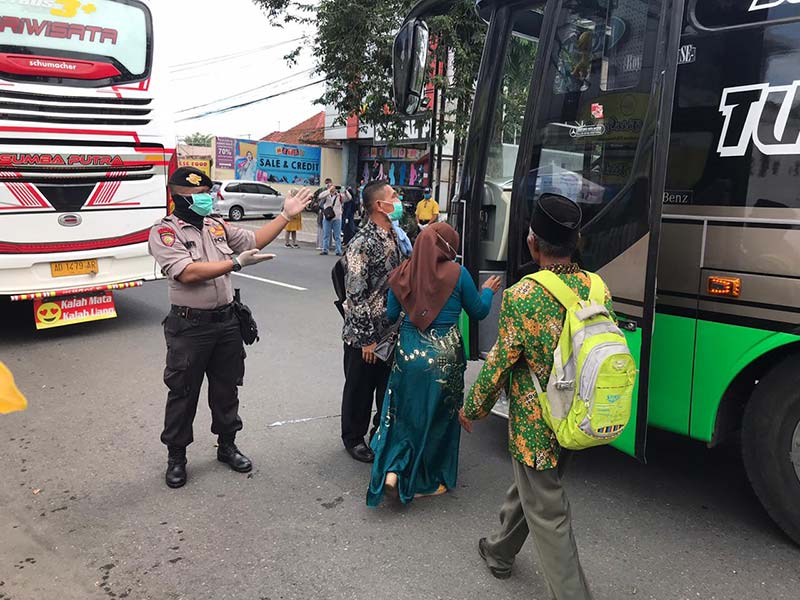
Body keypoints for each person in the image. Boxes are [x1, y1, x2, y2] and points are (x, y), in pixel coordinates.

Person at [460, 194, 612, 600]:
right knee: (532, 490)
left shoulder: (524, 295)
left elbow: (500, 364)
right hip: (579, 413)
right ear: (575, 241)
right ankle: (500, 551)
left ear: (532, 244)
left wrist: (472, 407)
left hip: (536, 423)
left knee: (549, 513)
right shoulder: (597, 286)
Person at [148, 166, 311, 489]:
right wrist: (235, 263)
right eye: (198, 195)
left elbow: (253, 240)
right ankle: (177, 457)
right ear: (178, 198)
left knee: (226, 389)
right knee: (183, 392)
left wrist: (283, 215)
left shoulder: (216, 225)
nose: (206, 199)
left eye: (207, 193)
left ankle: (227, 446)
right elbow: (188, 272)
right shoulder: (166, 232)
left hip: (225, 322)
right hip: (189, 327)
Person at [367, 223, 500, 506]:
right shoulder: (458, 274)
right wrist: (487, 291)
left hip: (407, 355)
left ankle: (393, 470)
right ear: (448, 247)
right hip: (444, 359)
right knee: (439, 418)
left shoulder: (402, 272)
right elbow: (478, 311)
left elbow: (391, 315)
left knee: (404, 414)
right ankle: (427, 480)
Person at [341, 181, 402, 463]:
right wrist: (367, 339)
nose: (398, 199)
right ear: (379, 205)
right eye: (394, 196)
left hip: (391, 330)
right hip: (365, 333)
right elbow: (355, 294)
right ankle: (353, 438)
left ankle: (380, 432)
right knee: (360, 388)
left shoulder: (397, 235)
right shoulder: (361, 243)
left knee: (386, 385)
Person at [319, 182, 350, 256]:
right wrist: (329, 190)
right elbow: (320, 196)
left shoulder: (339, 196)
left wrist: (345, 191)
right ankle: (325, 250)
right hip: (327, 217)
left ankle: (338, 251)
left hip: (337, 218)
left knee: (337, 235)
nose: (333, 189)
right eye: (331, 187)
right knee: (326, 234)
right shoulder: (326, 195)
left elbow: (349, 198)